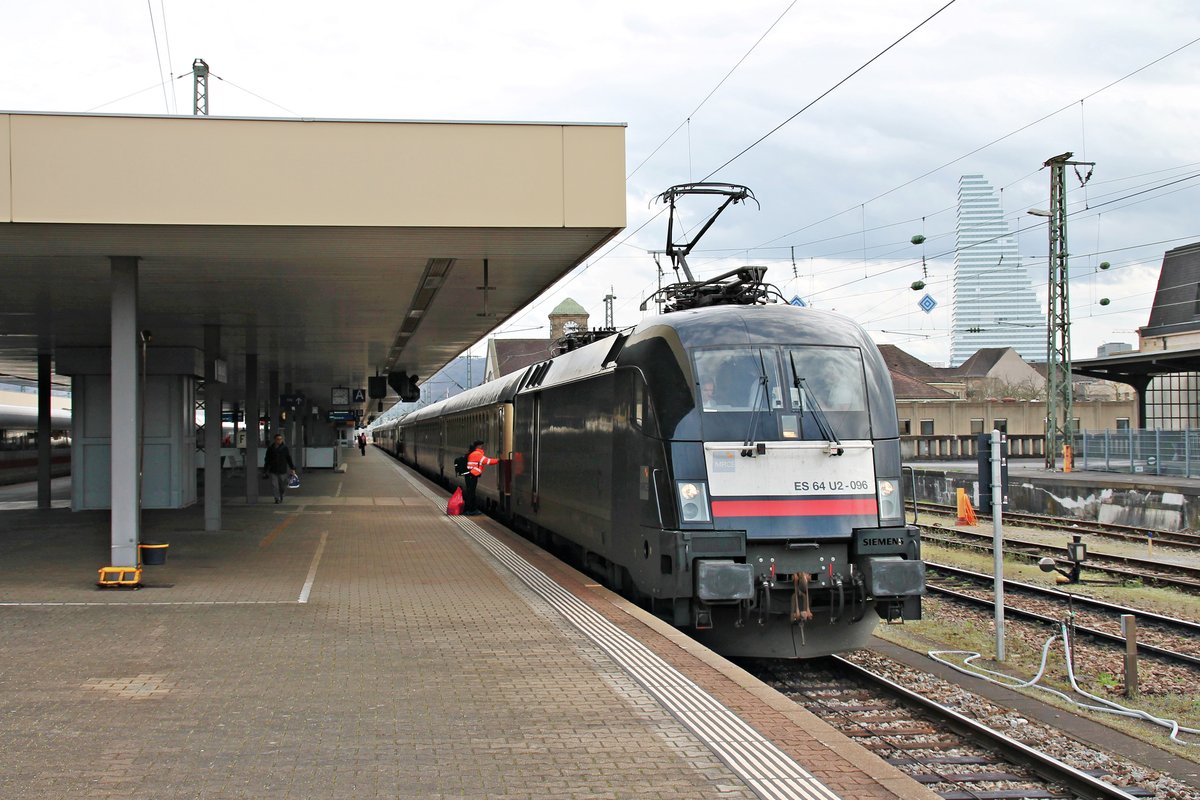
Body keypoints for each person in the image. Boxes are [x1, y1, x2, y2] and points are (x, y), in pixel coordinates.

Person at [463, 440, 499, 516]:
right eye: (482, 446)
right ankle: (470, 510)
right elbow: (488, 461)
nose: (483, 447)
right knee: (471, 494)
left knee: (470, 493)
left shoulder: (474, 453)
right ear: (478, 446)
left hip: (470, 475)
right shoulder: (477, 454)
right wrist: (499, 460)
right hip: (472, 476)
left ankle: (470, 509)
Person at [263, 433, 297, 504]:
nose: (280, 441)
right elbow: (267, 459)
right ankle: (276, 498)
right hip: (273, 470)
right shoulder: (270, 448)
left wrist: (292, 468)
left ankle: (281, 495)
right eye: (278, 439)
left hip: (282, 470)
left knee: (282, 485)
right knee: (274, 485)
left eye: (281, 439)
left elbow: (288, 458)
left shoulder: (284, 448)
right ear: (275, 440)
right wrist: (265, 470)